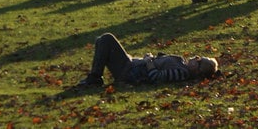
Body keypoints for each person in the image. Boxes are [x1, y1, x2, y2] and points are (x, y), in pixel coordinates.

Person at [77, 33, 218, 87]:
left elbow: (156, 77)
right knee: (101, 41)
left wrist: (149, 60)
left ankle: (95, 78)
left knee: (106, 39)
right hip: (132, 65)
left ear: (198, 70)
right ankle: (95, 77)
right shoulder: (182, 64)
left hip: (129, 71)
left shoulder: (181, 72)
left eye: (198, 60)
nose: (195, 57)